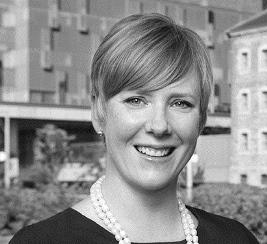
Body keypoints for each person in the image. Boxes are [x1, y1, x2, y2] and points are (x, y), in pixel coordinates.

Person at [10, 13, 259, 244]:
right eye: (136, 100)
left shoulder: (236, 239)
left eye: (181, 103)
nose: (159, 125)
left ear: (201, 119)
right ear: (99, 112)